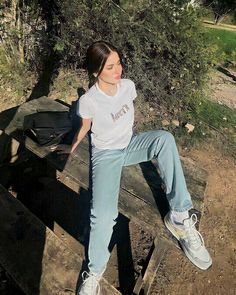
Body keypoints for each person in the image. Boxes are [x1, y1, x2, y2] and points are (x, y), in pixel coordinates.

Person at [56, 41, 212, 295]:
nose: (118, 70)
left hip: (129, 145)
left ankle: (180, 217)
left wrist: (131, 137)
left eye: (118, 63)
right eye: (110, 67)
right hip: (106, 155)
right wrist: (72, 146)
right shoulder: (89, 100)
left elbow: (127, 118)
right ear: (96, 71)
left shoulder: (128, 87)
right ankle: (94, 271)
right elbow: (85, 126)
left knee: (164, 138)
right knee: (103, 216)